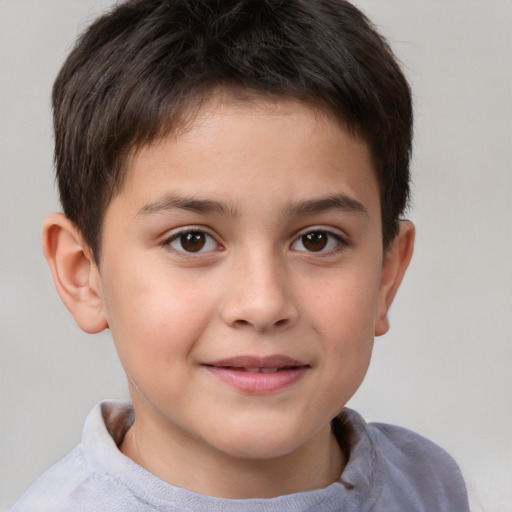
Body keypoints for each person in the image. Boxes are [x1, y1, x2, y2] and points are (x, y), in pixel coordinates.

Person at [9, 0, 470, 510]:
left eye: (317, 239)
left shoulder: (430, 487)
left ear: (386, 275)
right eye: (192, 240)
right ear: (83, 275)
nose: (262, 303)